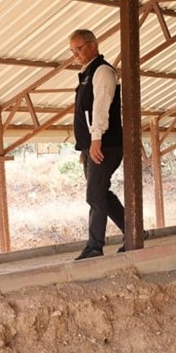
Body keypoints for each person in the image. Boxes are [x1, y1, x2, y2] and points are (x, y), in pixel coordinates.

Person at [69, 28, 126, 259]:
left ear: (93, 44)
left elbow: (100, 108)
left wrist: (96, 140)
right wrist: (86, 145)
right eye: (72, 51)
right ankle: (135, 231)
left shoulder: (102, 71)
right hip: (92, 145)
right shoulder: (86, 73)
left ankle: (94, 246)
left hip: (105, 144)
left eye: (79, 49)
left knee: (94, 195)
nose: (76, 55)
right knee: (102, 193)